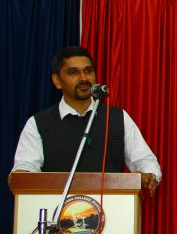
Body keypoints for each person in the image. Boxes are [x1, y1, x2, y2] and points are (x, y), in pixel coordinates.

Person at [12, 46, 162, 195]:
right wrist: (20, 176)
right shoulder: (38, 124)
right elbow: (25, 171)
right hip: (58, 208)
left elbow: (146, 161)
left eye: (88, 71)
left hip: (111, 208)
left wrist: (148, 176)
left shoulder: (117, 117)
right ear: (57, 81)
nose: (83, 78)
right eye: (73, 72)